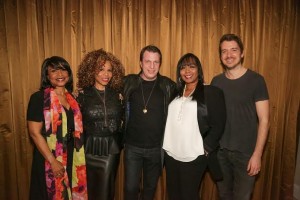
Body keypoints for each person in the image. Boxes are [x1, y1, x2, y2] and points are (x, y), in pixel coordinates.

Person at [211, 33, 270, 200]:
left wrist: (257, 155)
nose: (229, 55)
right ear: (220, 56)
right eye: (224, 51)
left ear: (242, 53)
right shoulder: (217, 82)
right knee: (224, 195)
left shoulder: (256, 80)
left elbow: (265, 120)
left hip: (246, 154)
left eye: (233, 50)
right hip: (220, 152)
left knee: (242, 197)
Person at [162, 53, 226, 200]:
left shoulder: (210, 92)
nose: (187, 71)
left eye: (192, 66)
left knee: (189, 195)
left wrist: (207, 147)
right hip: (170, 153)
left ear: (199, 70)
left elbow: (219, 124)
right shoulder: (175, 92)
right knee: (174, 195)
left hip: (194, 155)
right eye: (183, 68)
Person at [27, 56, 88, 200]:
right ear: (47, 76)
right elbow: (34, 133)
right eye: (54, 71)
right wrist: (53, 161)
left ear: (68, 73)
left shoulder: (72, 98)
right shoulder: (39, 98)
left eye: (63, 70)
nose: (60, 75)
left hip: (72, 155)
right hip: (49, 157)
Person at [123, 45, 176, 200]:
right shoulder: (128, 82)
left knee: (150, 189)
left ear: (160, 64)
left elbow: (188, 92)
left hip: (156, 148)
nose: (152, 66)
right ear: (141, 63)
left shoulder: (168, 86)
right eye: (148, 62)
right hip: (132, 147)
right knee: (131, 188)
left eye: (156, 62)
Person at [76, 49, 125, 200]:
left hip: (110, 148)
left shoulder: (118, 95)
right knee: (87, 190)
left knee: (104, 191)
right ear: (92, 71)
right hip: (87, 149)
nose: (106, 74)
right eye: (101, 69)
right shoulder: (82, 95)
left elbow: (124, 120)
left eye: (109, 70)